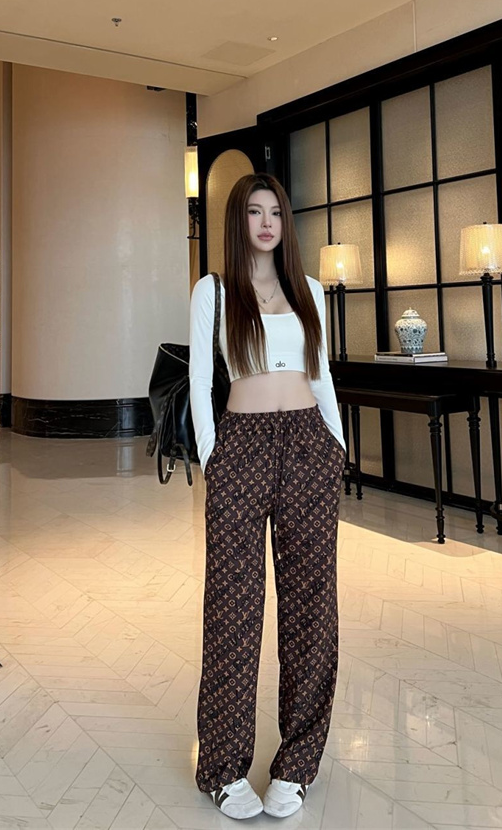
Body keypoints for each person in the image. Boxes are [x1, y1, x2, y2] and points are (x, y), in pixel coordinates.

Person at [188, 172, 347, 820]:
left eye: (274, 212)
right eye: (254, 212)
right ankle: (223, 769)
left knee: (311, 605)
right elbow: (200, 382)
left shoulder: (309, 290)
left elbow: (322, 375)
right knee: (233, 606)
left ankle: (297, 764)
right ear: (239, 221)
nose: (265, 223)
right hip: (241, 447)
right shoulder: (214, 291)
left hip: (309, 443)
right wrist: (213, 458)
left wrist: (337, 447)